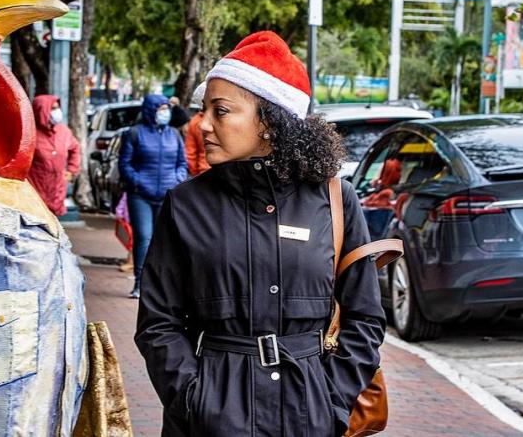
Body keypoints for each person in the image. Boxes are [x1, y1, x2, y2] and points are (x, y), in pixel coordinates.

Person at [135, 31, 384, 436]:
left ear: (269, 121)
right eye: (204, 111)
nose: (204, 125)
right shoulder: (185, 205)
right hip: (210, 417)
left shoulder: (336, 200)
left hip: (309, 412)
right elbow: (158, 323)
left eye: (221, 111)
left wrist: (332, 402)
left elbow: (365, 317)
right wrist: (196, 400)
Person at [119, 93, 188, 298]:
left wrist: (176, 180)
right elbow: (125, 165)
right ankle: (140, 284)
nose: (165, 113)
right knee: (143, 238)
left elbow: (181, 163)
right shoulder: (134, 133)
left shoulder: (174, 135)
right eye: (161, 109)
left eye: (167, 109)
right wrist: (139, 182)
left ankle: (159, 286)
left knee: (163, 240)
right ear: (150, 110)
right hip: (140, 196)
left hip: (167, 194)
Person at [29, 95, 80, 217]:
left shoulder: (64, 132)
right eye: (53, 108)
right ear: (42, 110)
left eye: (57, 108)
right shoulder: (30, 133)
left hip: (57, 190)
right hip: (35, 190)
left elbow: (75, 148)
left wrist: (72, 170)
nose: (57, 112)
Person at [184, 109, 209, 176]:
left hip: (204, 171)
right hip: (228, 173)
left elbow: (190, 153)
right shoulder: (228, 117)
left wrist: (195, 175)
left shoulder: (196, 121)